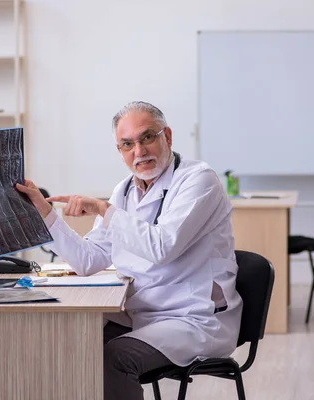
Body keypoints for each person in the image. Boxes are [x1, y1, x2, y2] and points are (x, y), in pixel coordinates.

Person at [16, 101, 243, 400]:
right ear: (120, 151)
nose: (139, 151)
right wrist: (44, 213)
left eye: (147, 137)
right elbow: (88, 259)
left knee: (114, 357)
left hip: (193, 318)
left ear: (168, 137)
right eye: (127, 144)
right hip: (145, 314)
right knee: (70, 339)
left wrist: (102, 209)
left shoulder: (199, 180)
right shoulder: (124, 191)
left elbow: (162, 246)